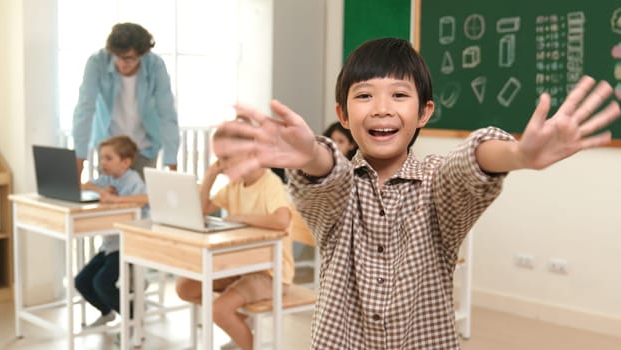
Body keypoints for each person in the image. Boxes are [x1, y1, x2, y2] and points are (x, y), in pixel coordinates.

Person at [210, 37, 621, 349]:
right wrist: (310, 155)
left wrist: (518, 154)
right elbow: (327, 178)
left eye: (400, 95)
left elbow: (467, 165)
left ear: (424, 111)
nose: (382, 108)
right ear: (343, 114)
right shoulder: (339, 193)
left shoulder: (436, 183)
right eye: (365, 95)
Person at [175, 154, 294, 350]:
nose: (222, 164)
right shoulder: (236, 185)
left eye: (228, 158)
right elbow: (201, 209)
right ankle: (240, 323)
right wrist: (211, 175)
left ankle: (244, 338)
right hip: (242, 267)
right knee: (185, 287)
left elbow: (281, 220)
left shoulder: (270, 182)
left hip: (272, 274)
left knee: (219, 310)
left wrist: (242, 217)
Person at [72, 22, 180, 179]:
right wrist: (79, 157)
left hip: (145, 148)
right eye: (118, 56)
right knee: (109, 195)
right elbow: (85, 109)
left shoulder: (155, 66)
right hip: (111, 149)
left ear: (142, 55)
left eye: (129, 58)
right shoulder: (97, 63)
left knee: (142, 198)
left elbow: (167, 113)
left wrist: (172, 164)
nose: (122, 63)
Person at [75, 135, 149, 328]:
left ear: (125, 162)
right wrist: (101, 192)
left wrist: (116, 200)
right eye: (101, 158)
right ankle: (106, 312)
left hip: (127, 244)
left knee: (101, 283)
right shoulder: (108, 178)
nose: (103, 163)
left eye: (108, 158)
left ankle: (133, 316)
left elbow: (146, 198)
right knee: (81, 281)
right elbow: (83, 185)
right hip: (109, 245)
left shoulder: (133, 179)